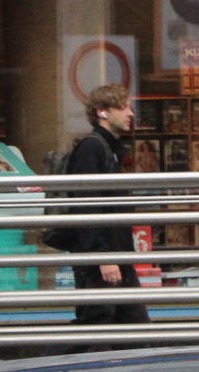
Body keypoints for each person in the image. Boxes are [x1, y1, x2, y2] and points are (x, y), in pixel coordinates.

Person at [55, 82, 149, 328]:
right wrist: (103, 256)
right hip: (105, 258)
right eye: (123, 107)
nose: (131, 114)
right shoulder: (93, 148)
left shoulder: (107, 148)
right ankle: (49, 365)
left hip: (115, 255)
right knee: (95, 326)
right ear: (102, 111)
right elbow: (86, 206)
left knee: (130, 329)